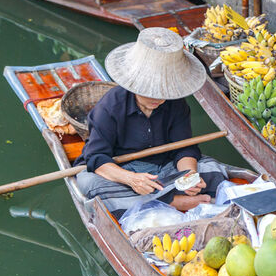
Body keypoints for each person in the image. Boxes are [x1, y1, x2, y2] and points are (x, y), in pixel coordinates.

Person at [75, 27, 226, 217]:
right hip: (123, 170)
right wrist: (132, 180)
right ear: (133, 83)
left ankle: (159, 200)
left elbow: (184, 148)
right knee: (89, 183)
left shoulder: (176, 103)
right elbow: (97, 158)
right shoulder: (110, 106)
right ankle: (173, 201)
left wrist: (189, 175)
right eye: (150, 91)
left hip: (164, 167)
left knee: (211, 168)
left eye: (163, 92)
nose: (158, 98)